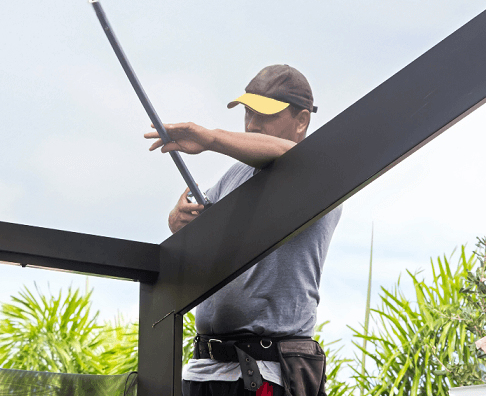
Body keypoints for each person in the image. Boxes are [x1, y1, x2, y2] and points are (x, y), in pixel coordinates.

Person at [145, 65, 342, 396]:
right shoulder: (234, 176)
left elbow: (288, 156)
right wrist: (178, 220)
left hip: (266, 371)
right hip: (206, 370)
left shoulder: (321, 173)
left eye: (265, 114)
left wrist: (210, 137)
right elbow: (188, 225)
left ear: (302, 121)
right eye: (248, 112)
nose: (252, 124)